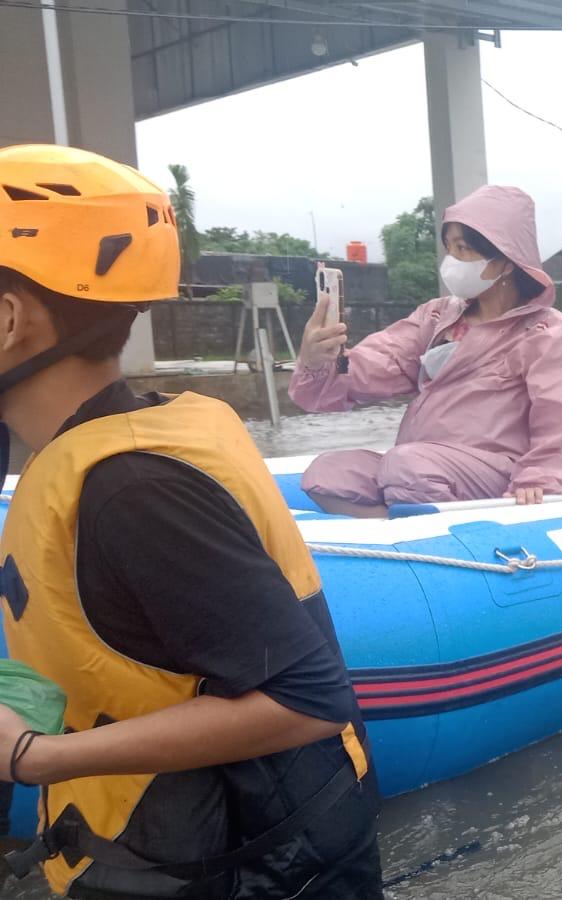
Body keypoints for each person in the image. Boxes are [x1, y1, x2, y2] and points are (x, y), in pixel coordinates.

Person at [0, 145, 379, 896]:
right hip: (158, 850)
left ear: (9, 319)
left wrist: (32, 759)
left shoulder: (133, 490)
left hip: (242, 868)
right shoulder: (98, 444)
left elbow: (307, 699)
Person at [291, 185, 562, 515]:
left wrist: (539, 480)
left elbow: (561, 424)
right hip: (424, 465)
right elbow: (381, 362)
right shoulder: (438, 317)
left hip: (495, 471)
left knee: (407, 467)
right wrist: (319, 361)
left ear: (506, 262)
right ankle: (398, 526)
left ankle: (433, 527)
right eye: (449, 248)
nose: (452, 260)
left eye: (463, 249)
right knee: (326, 474)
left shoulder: (548, 333)